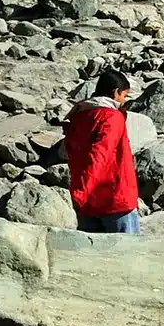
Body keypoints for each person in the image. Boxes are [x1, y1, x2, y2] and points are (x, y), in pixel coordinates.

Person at [65, 75, 141, 234]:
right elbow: (100, 156)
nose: (123, 101)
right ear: (115, 92)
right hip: (115, 200)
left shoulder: (79, 115)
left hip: (87, 204)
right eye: (124, 95)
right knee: (129, 256)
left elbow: (72, 154)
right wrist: (80, 193)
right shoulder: (112, 117)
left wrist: (79, 194)